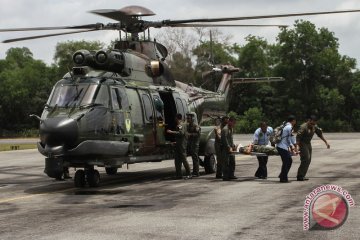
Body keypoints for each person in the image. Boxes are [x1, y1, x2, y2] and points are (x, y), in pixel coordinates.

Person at [296, 115, 330, 181]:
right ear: (309, 120)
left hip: (308, 143)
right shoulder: (303, 127)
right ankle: (300, 176)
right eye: (311, 123)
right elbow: (298, 137)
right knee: (306, 158)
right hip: (302, 143)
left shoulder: (314, 126)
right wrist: (296, 147)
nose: (312, 125)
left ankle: (302, 175)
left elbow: (319, 134)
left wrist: (326, 142)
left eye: (314, 123)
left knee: (309, 160)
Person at [167, 113, 191, 179]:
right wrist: (176, 142)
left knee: (184, 159)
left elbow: (181, 133)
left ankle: (189, 173)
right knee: (177, 160)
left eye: (175, 117)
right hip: (178, 144)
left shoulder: (181, 125)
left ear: (177, 118)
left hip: (181, 145)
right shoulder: (181, 124)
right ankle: (178, 174)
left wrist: (171, 132)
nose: (175, 119)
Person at [276, 115, 298, 183]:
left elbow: (289, 138)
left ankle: (282, 175)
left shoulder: (285, 126)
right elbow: (291, 138)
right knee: (286, 162)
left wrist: (291, 147)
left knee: (288, 161)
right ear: (293, 121)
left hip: (282, 146)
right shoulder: (289, 127)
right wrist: (294, 147)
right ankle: (283, 178)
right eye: (295, 121)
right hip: (282, 147)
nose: (295, 122)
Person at [221, 116, 237, 181]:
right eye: (233, 123)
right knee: (226, 162)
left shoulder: (231, 128)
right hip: (225, 148)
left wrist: (233, 146)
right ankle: (225, 176)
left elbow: (230, 139)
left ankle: (231, 175)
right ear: (229, 122)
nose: (234, 124)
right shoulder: (225, 129)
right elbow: (224, 140)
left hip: (231, 147)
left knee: (232, 162)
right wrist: (228, 147)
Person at [186, 112, 201, 177]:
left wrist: (190, 134)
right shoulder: (188, 126)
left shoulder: (196, 126)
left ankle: (196, 172)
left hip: (195, 144)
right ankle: (194, 171)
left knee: (195, 158)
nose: (187, 119)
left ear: (192, 119)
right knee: (193, 157)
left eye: (189, 118)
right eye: (187, 118)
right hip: (190, 143)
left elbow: (198, 134)